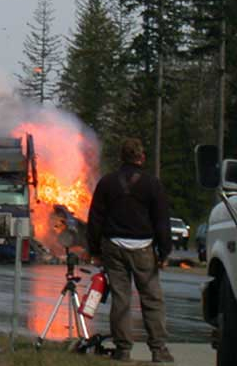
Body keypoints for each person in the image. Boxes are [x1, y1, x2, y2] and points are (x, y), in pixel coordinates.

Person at [86, 138, 174, 363]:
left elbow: (95, 219)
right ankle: (158, 349)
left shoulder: (107, 183)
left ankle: (123, 350)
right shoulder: (152, 184)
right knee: (152, 299)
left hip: (113, 247)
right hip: (144, 248)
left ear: (121, 158)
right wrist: (164, 252)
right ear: (141, 157)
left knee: (121, 299)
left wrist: (94, 250)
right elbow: (162, 220)